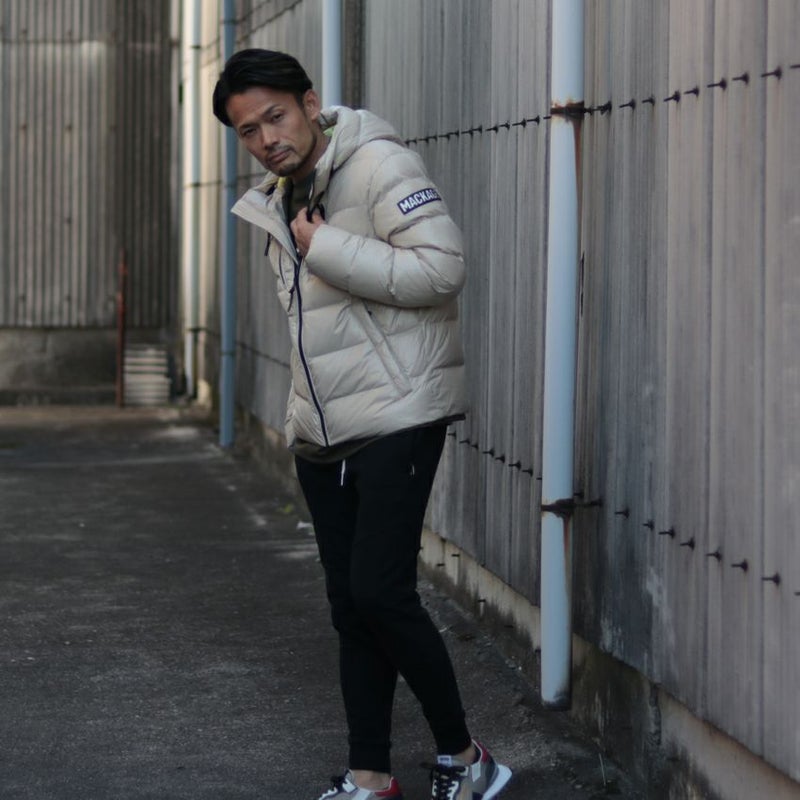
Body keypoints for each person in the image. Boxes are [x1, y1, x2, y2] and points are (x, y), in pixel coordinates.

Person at [212, 48, 511, 800]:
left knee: (380, 593)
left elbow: (443, 270)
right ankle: (370, 775)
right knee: (351, 607)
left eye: (276, 117)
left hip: (399, 410)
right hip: (323, 426)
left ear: (310, 104)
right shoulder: (281, 194)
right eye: (248, 130)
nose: (267, 138)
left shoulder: (379, 165)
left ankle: (466, 757)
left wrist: (328, 247)